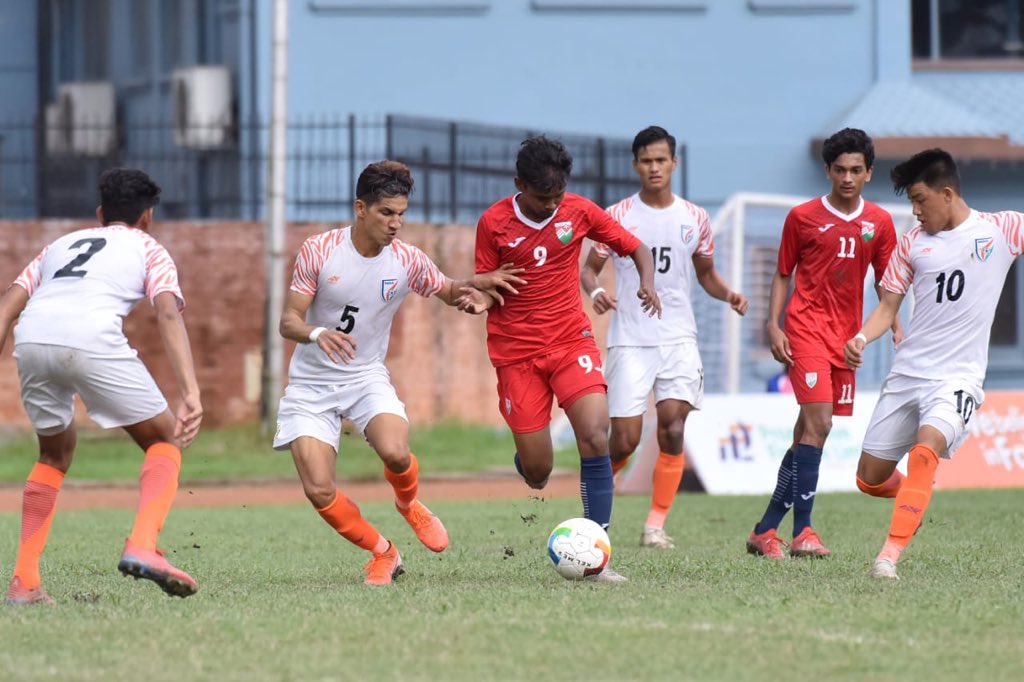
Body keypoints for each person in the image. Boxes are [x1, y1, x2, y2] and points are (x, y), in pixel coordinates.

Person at [274, 160, 522, 587]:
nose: (396, 223)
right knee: (318, 490)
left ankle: (409, 504)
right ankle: (383, 552)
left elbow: (445, 289)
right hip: (312, 386)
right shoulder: (319, 250)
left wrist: (476, 286)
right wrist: (318, 333)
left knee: (396, 453)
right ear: (360, 208)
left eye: (402, 213)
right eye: (387, 213)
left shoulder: (407, 260)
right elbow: (288, 321)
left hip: (365, 377)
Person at [0, 168, 204, 605]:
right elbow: (168, 313)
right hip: (91, 337)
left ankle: (24, 582)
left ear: (99, 214)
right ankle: (143, 546)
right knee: (164, 439)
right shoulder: (150, 247)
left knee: (54, 454)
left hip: (32, 337)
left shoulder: (58, 246)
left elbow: (4, 312)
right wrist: (190, 392)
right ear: (147, 216)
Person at [474, 135, 662, 582]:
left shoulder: (577, 210)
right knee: (539, 471)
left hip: (569, 341)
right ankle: (529, 458)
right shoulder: (493, 222)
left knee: (596, 435)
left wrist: (646, 282)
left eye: (557, 196)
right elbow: (484, 279)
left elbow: (636, 247)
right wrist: (481, 297)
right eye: (542, 199)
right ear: (520, 183)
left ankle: (598, 555)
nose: (551, 206)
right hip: (516, 352)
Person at [845, 148, 1023, 580]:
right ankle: (914, 497)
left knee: (926, 450)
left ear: (947, 194)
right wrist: (863, 337)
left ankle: (887, 557)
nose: (916, 210)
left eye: (920, 200)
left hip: (957, 379)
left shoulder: (1003, 228)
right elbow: (888, 306)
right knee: (869, 479)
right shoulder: (912, 244)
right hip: (908, 374)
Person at [580, 126, 748, 549]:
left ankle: (654, 526)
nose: (654, 167)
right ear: (635, 165)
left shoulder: (695, 218)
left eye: (661, 160)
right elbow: (588, 269)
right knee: (624, 439)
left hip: (678, 338)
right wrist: (598, 292)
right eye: (646, 161)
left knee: (673, 425)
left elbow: (706, 275)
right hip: (630, 340)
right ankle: (594, 506)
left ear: (674, 163)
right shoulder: (617, 215)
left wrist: (727, 293)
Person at [747, 128, 900, 559]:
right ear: (827, 171)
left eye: (856, 170)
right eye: (839, 170)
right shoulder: (802, 217)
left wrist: (893, 325)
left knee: (805, 434)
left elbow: (889, 287)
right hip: (805, 330)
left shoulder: (880, 223)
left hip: (846, 339)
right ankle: (805, 532)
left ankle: (764, 529)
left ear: (869, 172)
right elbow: (782, 273)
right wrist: (773, 327)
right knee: (820, 424)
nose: (847, 177)